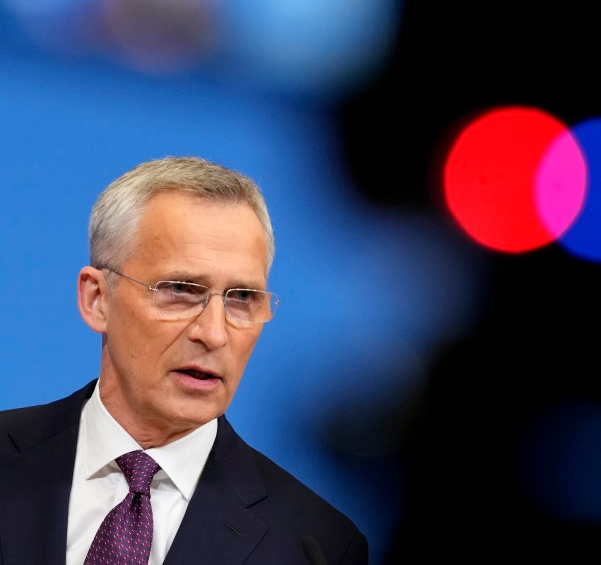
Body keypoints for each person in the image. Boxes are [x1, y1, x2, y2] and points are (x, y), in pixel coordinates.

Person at [0, 156, 368, 564]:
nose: (213, 333)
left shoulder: (314, 544)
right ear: (97, 299)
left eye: (242, 298)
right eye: (180, 289)